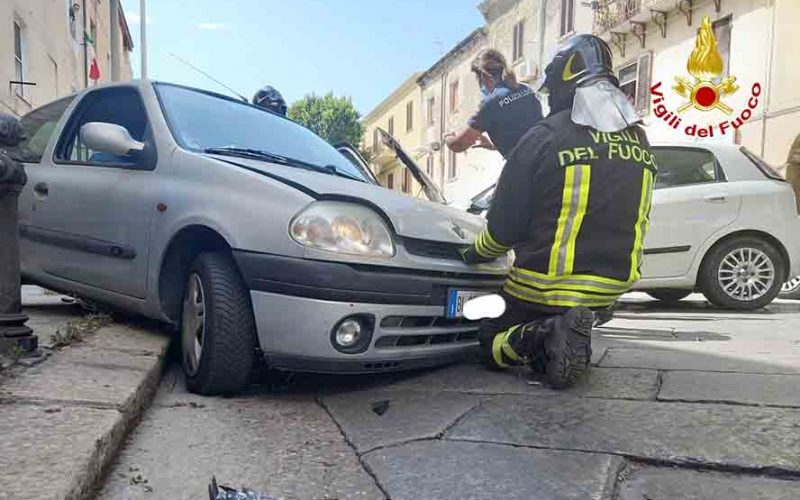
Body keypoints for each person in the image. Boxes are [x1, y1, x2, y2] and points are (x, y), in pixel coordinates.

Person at [459, 34, 656, 388]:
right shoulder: (639, 140)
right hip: (610, 288)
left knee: (488, 339)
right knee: (563, 318)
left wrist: (471, 253)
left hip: (545, 285)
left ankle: (542, 333)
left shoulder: (545, 135)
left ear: (563, 83)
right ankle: (561, 337)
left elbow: (503, 231)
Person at [444, 49, 543, 158]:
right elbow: (525, 138)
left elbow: (458, 145)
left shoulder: (491, 103)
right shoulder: (525, 90)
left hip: (526, 167)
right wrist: (493, 145)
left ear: (482, 76)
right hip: (547, 157)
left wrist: (448, 137)